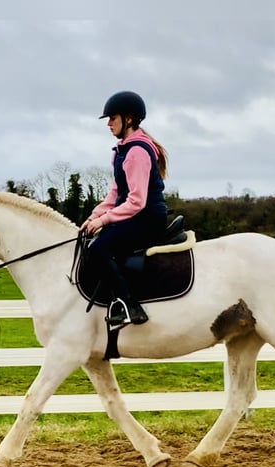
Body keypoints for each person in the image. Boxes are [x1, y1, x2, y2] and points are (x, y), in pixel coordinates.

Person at [80, 90, 169, 328]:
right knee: (94, 242)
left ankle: (129, 305)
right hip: (136, 215)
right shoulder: (122, 150)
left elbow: (136, 200)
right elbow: (115, 193)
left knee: (99, 249)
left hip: (147, 217)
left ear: (128, 119)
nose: (108, 124)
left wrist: (105, 220)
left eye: (112, 118)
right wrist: (95, 215)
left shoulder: (137, 152)